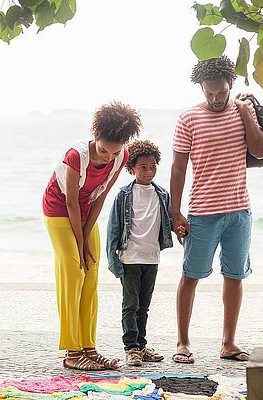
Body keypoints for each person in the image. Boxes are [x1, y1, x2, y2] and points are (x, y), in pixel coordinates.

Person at [170, 56, 263, 364]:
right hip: (203, 212)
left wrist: (244, 112)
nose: (214, 98)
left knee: (235, 276)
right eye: (208, 93)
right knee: (191, 276)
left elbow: (260, 150)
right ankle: (183, 342)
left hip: (239, 211)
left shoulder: (243, 112)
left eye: (220, 92)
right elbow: (177, 168)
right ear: (201, 87)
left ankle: (228, 343)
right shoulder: (188, 119)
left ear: (231, 85)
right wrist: (176, 213)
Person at [43, 101, 141, 371]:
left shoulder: (121, 156)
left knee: (92, 269)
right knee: (74, 270)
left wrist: (87, 237)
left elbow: (101, 197)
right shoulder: (76, 156)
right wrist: (80, 240)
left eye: (114, 152)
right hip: (59, 208)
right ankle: (72, 352)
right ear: (95, 137)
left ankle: (89, 347)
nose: (108, 157)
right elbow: (71, 202)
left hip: (86, 211)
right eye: (103, 150)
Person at [106, 139, 175, 367]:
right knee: (130, 305)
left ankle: (142, 346)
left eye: (153, 165)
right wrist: (113, 260)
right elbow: (113, 229)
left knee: (144, 305)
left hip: (152, 257)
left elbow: (170, 222)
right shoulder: (124, 195)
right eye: (143, 167)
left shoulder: (162, 194)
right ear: (132, 168)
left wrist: (183, 229)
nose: (149, 171)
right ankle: (131, 348)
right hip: (130, 258)